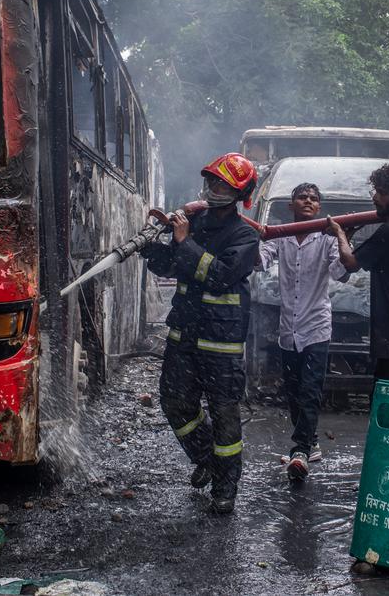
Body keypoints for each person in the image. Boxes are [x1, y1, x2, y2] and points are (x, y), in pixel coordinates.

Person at [139, 153, 260, 515]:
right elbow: (174, 264)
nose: (215, 188)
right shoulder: (193, 221)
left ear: (240, 193)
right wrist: (152, 247)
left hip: (220, 341)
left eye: (224, 184)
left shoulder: (245, 235)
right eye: (212, 180)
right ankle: (206, 457)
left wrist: (185, 241)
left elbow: (221, 274)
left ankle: (225, 488)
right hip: (184, 334)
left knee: (224, 414)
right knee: (174, 403)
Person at [258, 182, 348, 480]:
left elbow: (341, 273)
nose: (308, 201)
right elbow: (260, 261)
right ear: (291, 205)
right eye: (302, 197)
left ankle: (300, 451)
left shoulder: (326, 239)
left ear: (318, 207)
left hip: (316, 327)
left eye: (313, 198)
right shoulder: (280, 235)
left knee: (310, 391)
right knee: (293, 392)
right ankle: (311, 442)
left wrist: (341, 236)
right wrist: (255, 237)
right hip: (289, 329)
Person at [329, 162, 389, 383]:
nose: (375, 198)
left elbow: (350, 263)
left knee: (387, 402)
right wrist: (347, 237)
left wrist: (339, 232)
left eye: (381, 193)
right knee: (388, 399)